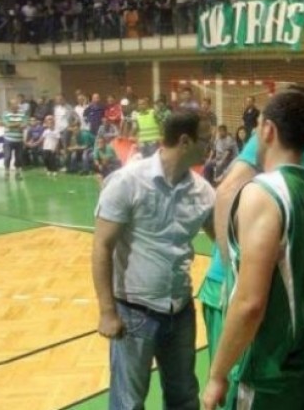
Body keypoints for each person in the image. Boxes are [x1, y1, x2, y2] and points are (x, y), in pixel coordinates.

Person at [201, 88, 304, 406]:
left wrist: (217, 375)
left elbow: (250, 303)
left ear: (267, 129)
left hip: (266, 369)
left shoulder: (264, 193)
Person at [92, 109, 215, 409]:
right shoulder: (127, 182)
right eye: (205, 140)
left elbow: (226, 241)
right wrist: (107, 312)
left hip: (181, 311)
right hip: (134, 314)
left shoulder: (203, 192)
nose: (210, 147)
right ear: (185, 141)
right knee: (129, 402)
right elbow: (101, 248)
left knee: (184, 396)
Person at [2, 98, 26, 180]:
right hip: (8, 139)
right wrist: (18, 124)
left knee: (19, 158)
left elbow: (24, 125)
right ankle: (7, 172)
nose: (16, 105)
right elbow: (7, 125)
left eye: (17, 104)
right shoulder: (5, 114)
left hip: (19, 140)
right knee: (7, 156)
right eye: (14, 104)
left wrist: (13, 125)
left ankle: (18, 173)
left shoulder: (23, 114)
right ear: (10, 106)